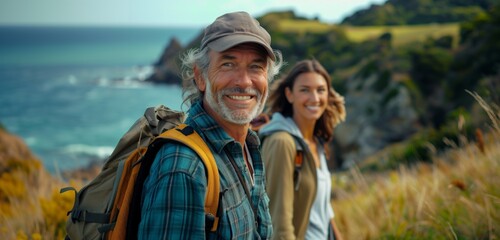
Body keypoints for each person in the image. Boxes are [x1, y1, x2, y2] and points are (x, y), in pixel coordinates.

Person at [138, 11, 284, 239]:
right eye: (228, 64)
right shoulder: (183, 167)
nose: (244, 81)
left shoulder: (249, 145)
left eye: (256, 67)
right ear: (199, 76)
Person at [259, 59, 346, 240]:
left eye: (320, 90)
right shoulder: (281, 142)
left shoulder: (317, 142)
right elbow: (279, 222)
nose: (314, 98)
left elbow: (322, 208)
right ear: (290, 95)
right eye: (305, 90)